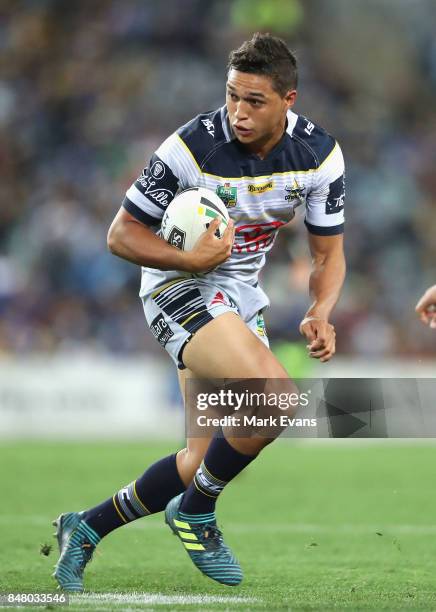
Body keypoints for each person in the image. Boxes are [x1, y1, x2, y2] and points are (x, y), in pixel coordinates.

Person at [53, 32, 346, 591]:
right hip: (177, 287)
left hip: (238, 296)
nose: (237, 111)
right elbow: (121, 234)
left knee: (198, 460)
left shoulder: (319, 157)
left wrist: (321, 308)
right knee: (276, 398)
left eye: (254, 101)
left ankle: (85, 527)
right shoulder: (190, 148)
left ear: (289, 100)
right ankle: (196, 511)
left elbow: (328, 253)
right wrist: (185, 256)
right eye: (232, 96)